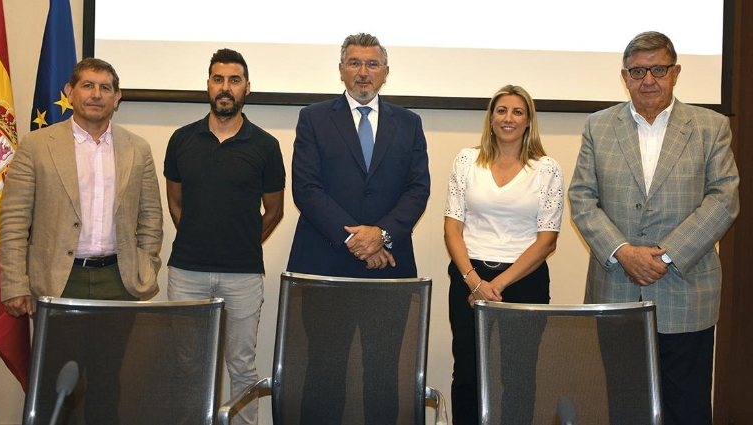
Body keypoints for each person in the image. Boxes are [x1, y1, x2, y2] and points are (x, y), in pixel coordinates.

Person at [568, 31, 739, 425]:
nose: (649, 80)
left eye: (658, 69)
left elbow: (723, 198)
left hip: (686, 291)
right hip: (617, 289)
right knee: (624, 406)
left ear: (675, 72)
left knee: (688, 407)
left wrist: (666, 255)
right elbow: (582, 198)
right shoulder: (598, 126)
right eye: (639, 71)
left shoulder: (710, 127)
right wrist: (623, 253)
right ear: (625, 77)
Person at [0, 57, 163, 424]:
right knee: (56, 386)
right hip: (58, 281)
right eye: (88, 85)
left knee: (110, 384)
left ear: (117, 97)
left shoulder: (137, 148)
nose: (96, 94)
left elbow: (151, 216)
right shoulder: (37, 145)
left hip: (117, 282)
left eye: (106, 88)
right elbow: (13, 219)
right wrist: (14, 282)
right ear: (70, 92)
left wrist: (146, 264)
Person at [286, 33, 430, 423]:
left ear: (385, 73)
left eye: (371, 64)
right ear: (340, 71)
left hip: (389, 266)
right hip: (324, 262)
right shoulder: (313, 118)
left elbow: (418, 189)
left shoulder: (409, 123)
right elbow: (306, 188)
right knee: (323, 370)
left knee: (385, 372)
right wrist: (356, 237)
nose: (362, 73)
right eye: (354, 63)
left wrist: (381, 235)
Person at [163, 48, 285, 425]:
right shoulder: (182, 140)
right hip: (186, 273)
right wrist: (201, 238)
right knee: (187, 368)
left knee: (242, 368)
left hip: (243, 275)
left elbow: (275, 211)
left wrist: (244, 242)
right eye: (218, 79)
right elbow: (176, 204)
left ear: (247, 88)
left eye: (234, 80)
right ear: (208, 86)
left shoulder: (265, 146)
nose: (225, 88)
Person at [444, 84, 563, 424]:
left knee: (519, 377)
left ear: (528, 121)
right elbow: (452, 229)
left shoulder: (547, 169)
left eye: (517, 112)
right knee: (467, 372)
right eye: (501, 111)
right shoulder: (466, 160)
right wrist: (474, 281)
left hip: (524, 280)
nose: (508, 118)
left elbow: (547, 240)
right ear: (491, 117)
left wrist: (495, 286)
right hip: (469, 277)